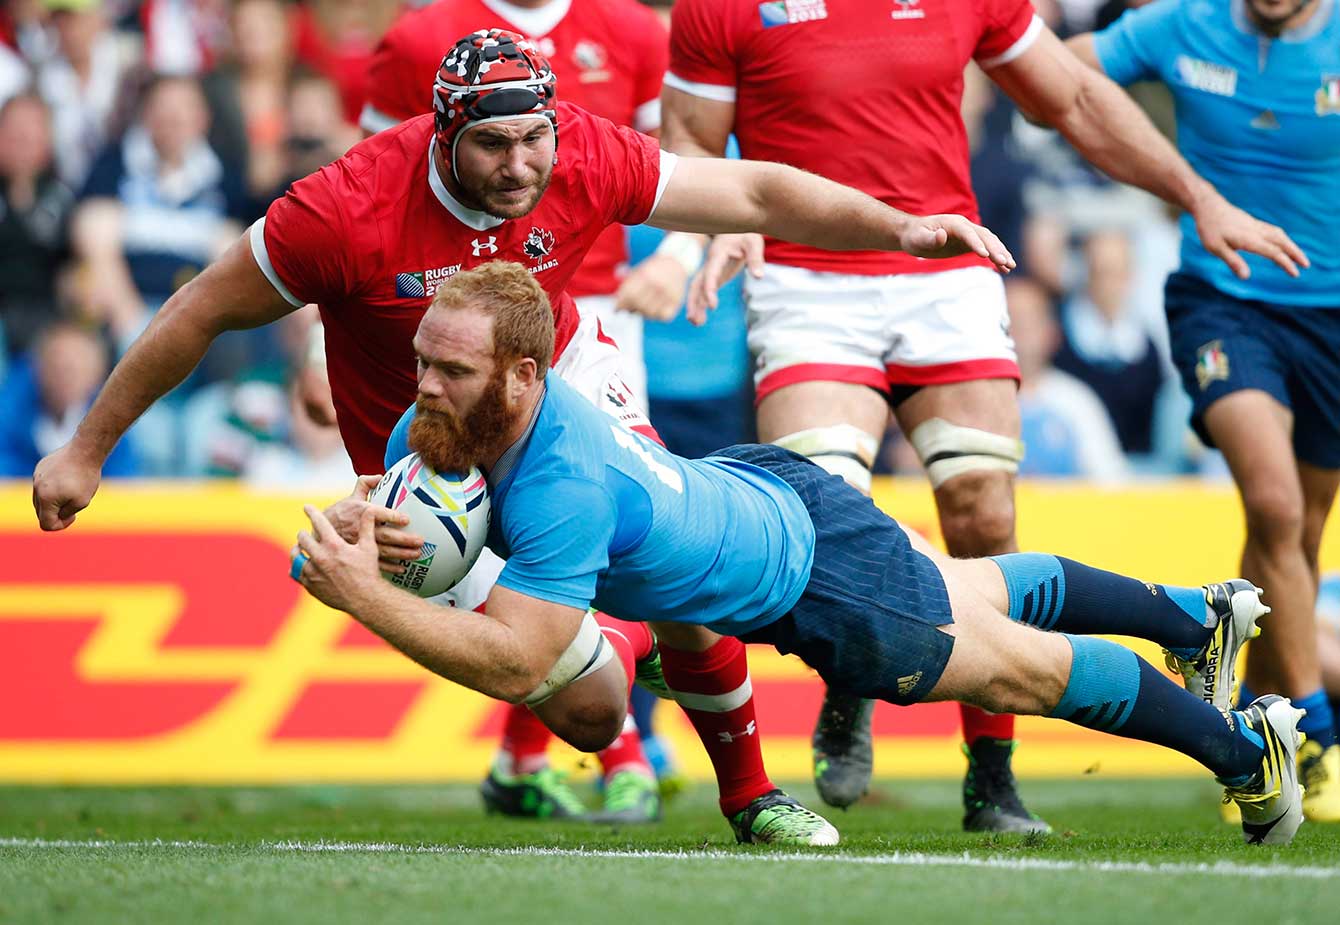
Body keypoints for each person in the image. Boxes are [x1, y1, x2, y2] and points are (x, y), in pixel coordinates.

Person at [30, 29, 1014, 846]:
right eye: (494, 146)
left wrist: (897, 228)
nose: (521, 166)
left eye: (534, 139)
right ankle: (620, 648)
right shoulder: (344, 208)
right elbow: (197, 309)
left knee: (668, 554)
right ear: (439, 137)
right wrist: (86, 448)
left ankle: (749, 794)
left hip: (560, 392)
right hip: (427, 465)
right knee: (588, 709)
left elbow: (751, 195)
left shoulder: (579, 148)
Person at [295, 260, 1307, 847]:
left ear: (523, 377)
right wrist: (361, 520)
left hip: (811, 578)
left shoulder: (559, 479)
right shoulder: (440, 423)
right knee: (973, 590)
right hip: (759, 487)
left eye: (450, 368)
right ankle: (1191, 614)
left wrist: (359, 596)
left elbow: (520, 658)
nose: (423, 383)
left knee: (1016, 665)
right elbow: (415, 502)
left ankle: (1241, 749)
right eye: (423, 359)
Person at [659, 0, 1304, 832]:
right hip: (806, 273)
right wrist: (721, 227)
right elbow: (688, 137)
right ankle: (850, 682)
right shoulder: (723, 6)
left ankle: (991, 779)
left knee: (984, 513)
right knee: (819, 523)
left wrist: (1197, 197)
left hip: (948, 261)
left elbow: (1070, 98)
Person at [354, 0, 673, 822]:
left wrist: (687, 250)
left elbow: (686, 166)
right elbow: (364, 190)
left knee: (606, 531)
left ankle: (561, 748)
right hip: (461, 330)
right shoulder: (425, 37)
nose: (520, 157)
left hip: (589, 318)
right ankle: (605, 720)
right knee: (520, 552)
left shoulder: (633, 29)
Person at [1067, 0, 1340, 824]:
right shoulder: (1178, 25)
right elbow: (1060, 69)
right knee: (1274, 503)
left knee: (1299, 531)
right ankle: (1315, 741)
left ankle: (1256, 731)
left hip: (1330, 314)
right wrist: (1138, 160)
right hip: (1224, 301)